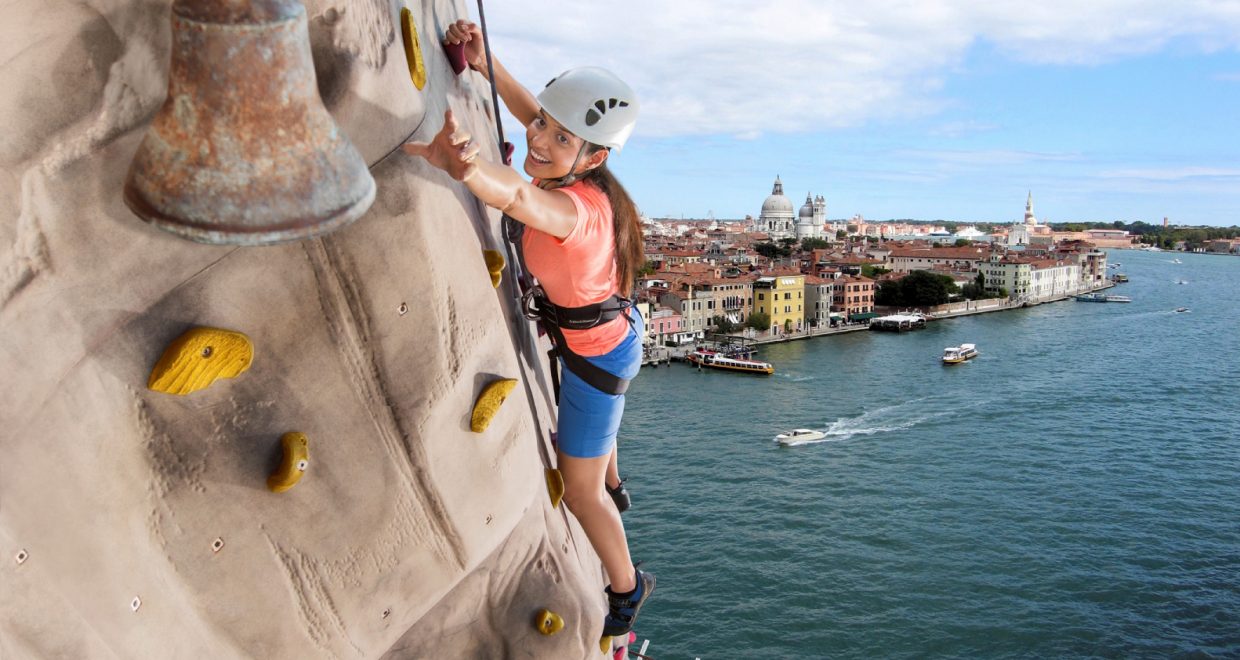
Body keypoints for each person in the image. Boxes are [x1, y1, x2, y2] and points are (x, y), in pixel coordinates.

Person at [402, 19, 653, 637]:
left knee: (578, 489)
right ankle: (615, 479)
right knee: (597, 435)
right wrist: (487, 67)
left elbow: (518, 199)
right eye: (541, 122)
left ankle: (627, 585)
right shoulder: (582, 172)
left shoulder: (575, 210)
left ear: (592, 156)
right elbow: (536, 124)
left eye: (559, 136)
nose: (538, 138)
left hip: (599, 355)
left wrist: (464, 169)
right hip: (602, 335)